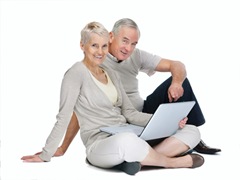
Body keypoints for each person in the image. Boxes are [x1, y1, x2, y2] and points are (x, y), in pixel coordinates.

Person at [21, 21, 204, 175]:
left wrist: (166, 121)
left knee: (191, 130)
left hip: (128, 132)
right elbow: (64, 116)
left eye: (103, 46)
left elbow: (130, 113)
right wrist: (48, 152)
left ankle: (139, 161)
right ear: (82, 46)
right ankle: (172, 162)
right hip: (100, 142)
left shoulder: (111, 74)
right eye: (94, 45)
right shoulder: (75, 74)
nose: (100, 52)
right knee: (127, 141)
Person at [53, 18, 221, 157]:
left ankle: (188, 139)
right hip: (115, 118)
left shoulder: (136, 55)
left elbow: (176, 64)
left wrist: (176, 83)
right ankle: (165, 151)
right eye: (124, 41)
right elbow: (79, 108)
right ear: (111, 36)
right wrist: (63, 147)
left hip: (140, 112)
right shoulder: (96, 60)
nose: (128, 48)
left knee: (181, 81)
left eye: (133, 43)